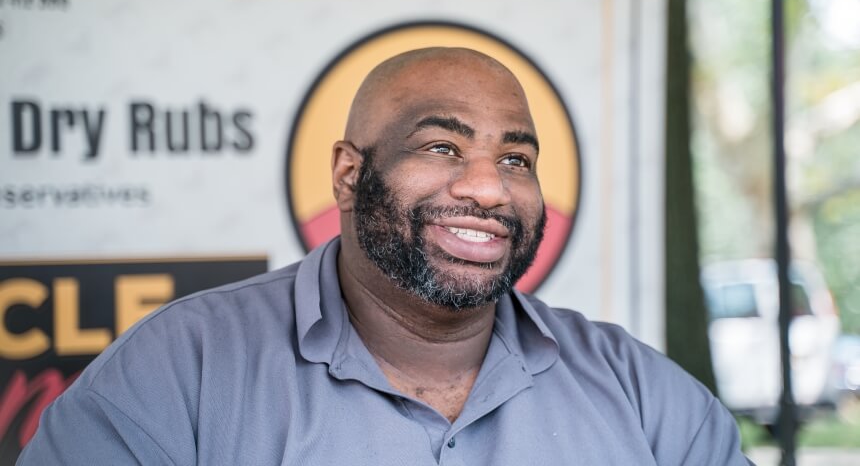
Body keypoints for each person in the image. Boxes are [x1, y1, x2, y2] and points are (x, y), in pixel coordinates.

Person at [19, 48, 751, 465]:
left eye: (518, 158)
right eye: (442, 147)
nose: (490, 188)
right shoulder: (179, 372)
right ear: (348, 174)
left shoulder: (642, 397)